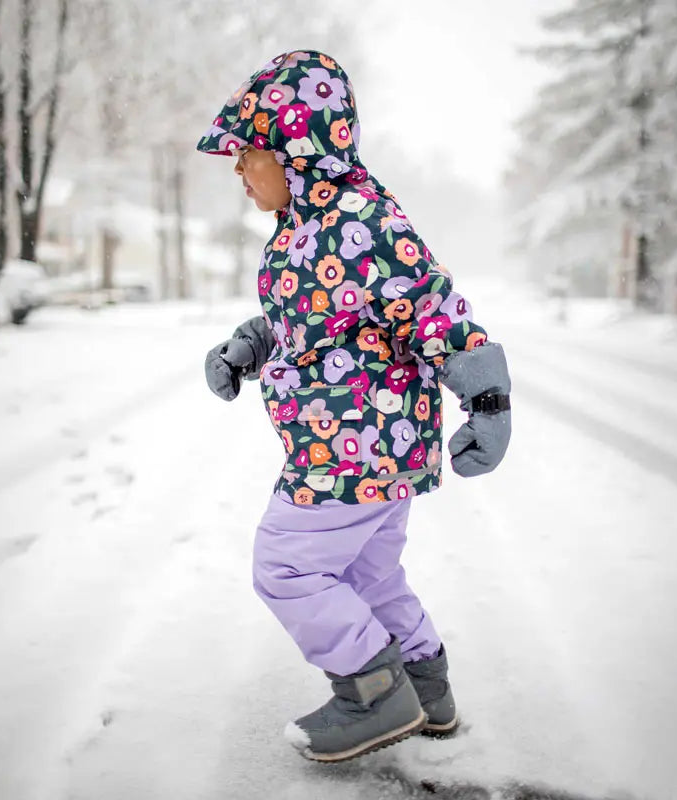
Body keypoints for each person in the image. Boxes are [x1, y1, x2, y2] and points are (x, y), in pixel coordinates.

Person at [198, 50, 511, 763]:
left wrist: (487, 398)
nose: (238, 171)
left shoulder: (362, 220)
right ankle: (427, 689)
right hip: (361, 443)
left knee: (287, 565)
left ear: (294, 149)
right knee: (370, 576)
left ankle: (372, 691)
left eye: (247, 155)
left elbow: (434, 309)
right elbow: (314, 321)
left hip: (352, 446)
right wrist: (252, 344)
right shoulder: (304, 231)